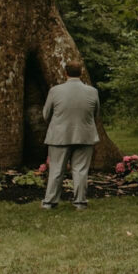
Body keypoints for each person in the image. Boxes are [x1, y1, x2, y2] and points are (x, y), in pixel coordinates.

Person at [41, 60, 100, 212]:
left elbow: (46, 114)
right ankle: (80, 203)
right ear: (81, 72)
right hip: (85, 135)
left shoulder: (55, 91)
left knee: (56, 170)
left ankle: (50, 202)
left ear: (65, 73)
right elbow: (96, 114)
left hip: (59, 136)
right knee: (80, 170)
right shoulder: (92, 91)